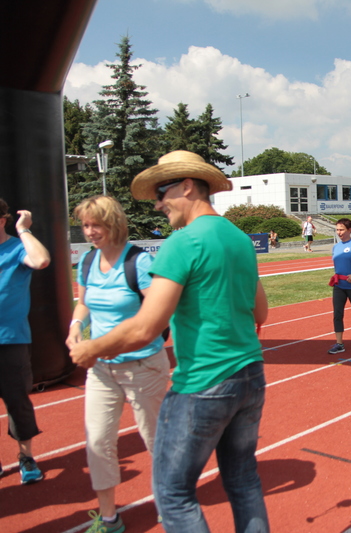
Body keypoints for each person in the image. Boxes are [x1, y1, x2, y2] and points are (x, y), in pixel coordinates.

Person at [69, 150, 270, 533]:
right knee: (244, 481)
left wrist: (91, 348)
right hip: (250, 374)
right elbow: (261, 313)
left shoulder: (182, 242)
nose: (158, 204)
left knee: (173, 494)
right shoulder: (240, 239)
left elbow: (146, 328)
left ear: (188, 186)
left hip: (205, 380)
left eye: (162, 192)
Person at [67, 196, 170, 533]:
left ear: (114, 224)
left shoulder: (138, 262)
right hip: (101, 370)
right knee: (97, 441)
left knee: (155, 440)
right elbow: (84, 303)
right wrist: (75, 326)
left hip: (143, 366)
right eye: (85, 225)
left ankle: (168, 501)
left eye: (96, 224)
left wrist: (112, 343)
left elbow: (154, 315)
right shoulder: (87, 260)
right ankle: (109, 517)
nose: (89, 231)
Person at [0, 199, 49, 484]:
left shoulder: (17, 248)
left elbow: (41, 260)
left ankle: (26, 457)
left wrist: (24, 230)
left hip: (10, 340)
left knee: (17, 402)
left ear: (2, 220)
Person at [327, 218, 351, 354]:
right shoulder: (336, 247)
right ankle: (339, 343)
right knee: (337, 313)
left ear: (350, 230)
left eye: (342, 230)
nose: (339, 232)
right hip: (339, 285)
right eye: (337, 230)